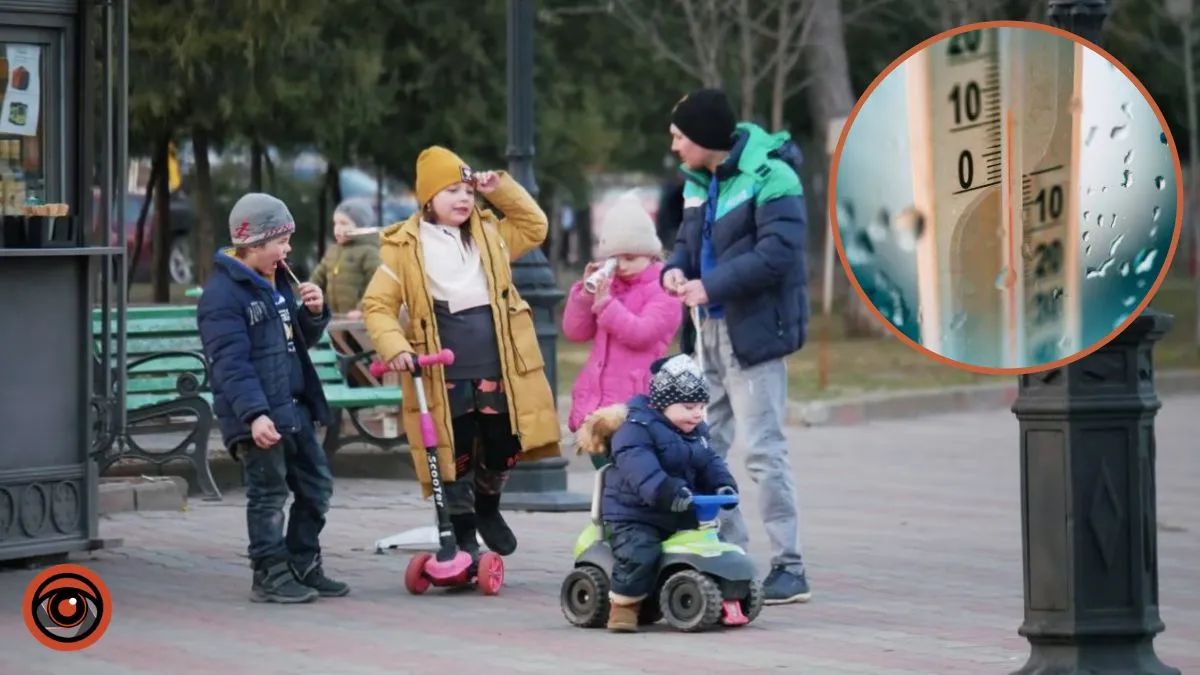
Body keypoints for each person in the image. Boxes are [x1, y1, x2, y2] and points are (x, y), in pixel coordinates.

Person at [360, 146, 560, 559]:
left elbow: (534, 226)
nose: (463, 199)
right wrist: (395, 346)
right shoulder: (403, 247)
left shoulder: (490, 234)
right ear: (428, 198)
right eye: (451, 190)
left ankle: (488, 507)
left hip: (498, 360)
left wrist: (499, 189)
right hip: (442, 368)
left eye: (467, 190)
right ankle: (462, 530)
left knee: (505, 442)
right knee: (457, 451)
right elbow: (377, 305)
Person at [661, 87, 812, 604]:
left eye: (680, 136)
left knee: (763, 452)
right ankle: (727, 555)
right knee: (705, 448)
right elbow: (686, 242)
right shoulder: (698, 183)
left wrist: (712, 286)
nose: (674, 146)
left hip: (754, 336)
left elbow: (778, 257)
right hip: (708, 333)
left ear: (704, 137)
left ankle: (790, 567)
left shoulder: (773, 177)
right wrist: (674, 270)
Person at [197, 192, 349, 604]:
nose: (287, 250)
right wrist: (255, 415)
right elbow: (230, 364)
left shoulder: (278, 283)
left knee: (316, 488)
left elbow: (291, 344)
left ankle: (302, 562)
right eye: (280, 241)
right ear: (254, 242)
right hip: (259, 417)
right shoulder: (223, 296)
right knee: (268, 495)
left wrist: (312, 316)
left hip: (293, 407)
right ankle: (269, 572)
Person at [595, 354, 737, 632]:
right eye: (688, 406)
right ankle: (624, 606)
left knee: (712, 546)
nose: (697, 414)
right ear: (663, 404)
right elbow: (642, 471)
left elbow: (709, 461)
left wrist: (723, 483)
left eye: (701, 407)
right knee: (640, 552)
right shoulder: (635, 430)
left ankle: (718, 594)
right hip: (637, 513)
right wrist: (668, 490)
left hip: (679, 509)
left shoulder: (696, 431)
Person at [562, 195, 683, 468]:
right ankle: (606, 514)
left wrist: (605, 304)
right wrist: (584, 294)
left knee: (629, 479)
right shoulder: (610, 286)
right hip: (597, 408)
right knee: (605, 478)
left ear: (650, 253)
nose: (623, 266)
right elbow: (575, 331)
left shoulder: (664, 288)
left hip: (634, 407)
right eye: (615, 259)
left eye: (630, 257)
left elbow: (642, 333)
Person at [310, 198, 382, 319]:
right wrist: (310, 293)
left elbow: (377, 284)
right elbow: (317, 278)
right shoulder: (332, 251)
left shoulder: (370, 252)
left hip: (360, 322)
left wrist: (362, 309)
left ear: (361, 227)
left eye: (344, 223)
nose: (337, 228)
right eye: (335, 223)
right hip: (336, 319)